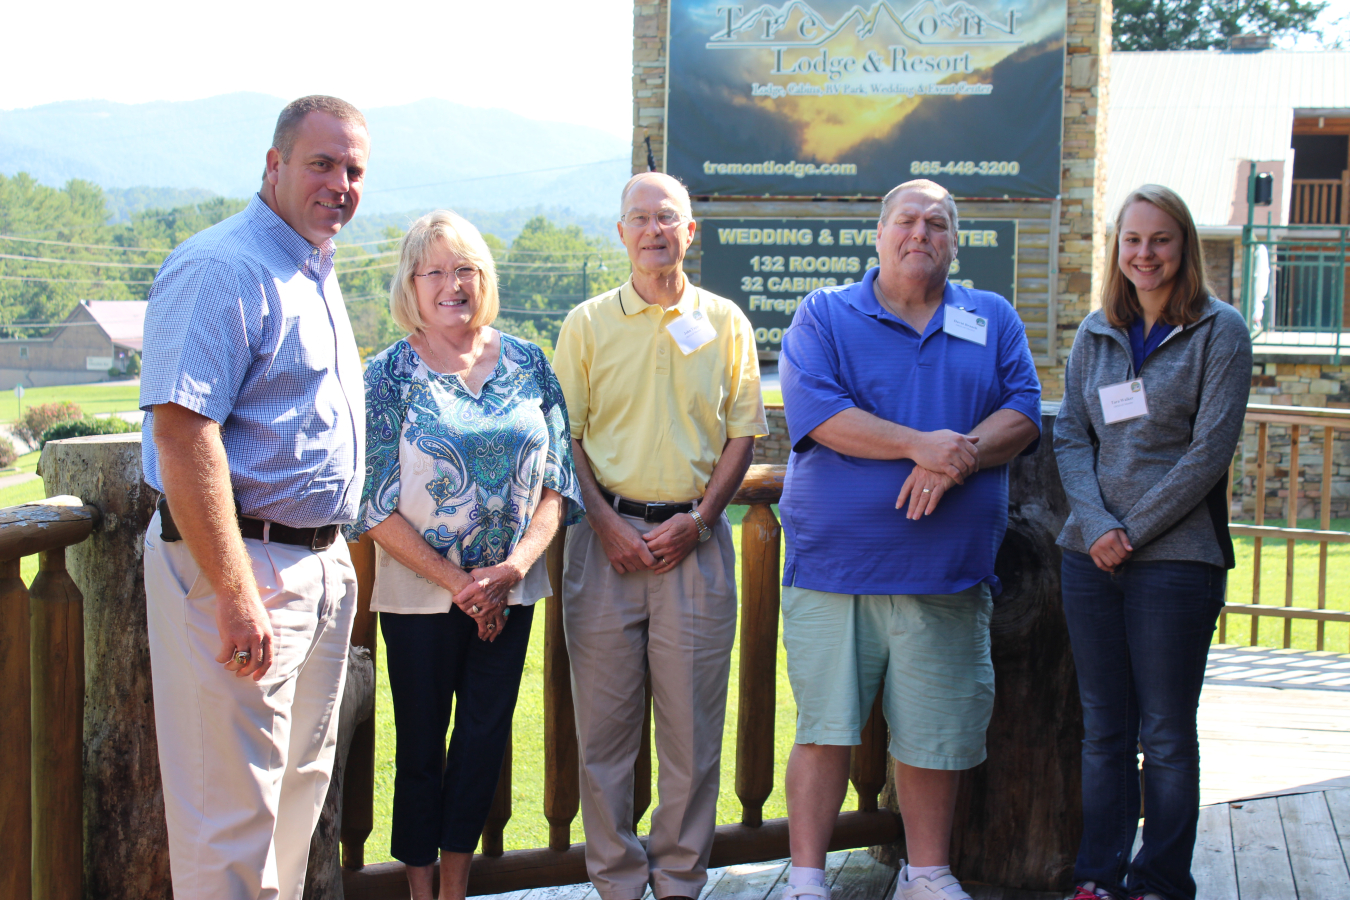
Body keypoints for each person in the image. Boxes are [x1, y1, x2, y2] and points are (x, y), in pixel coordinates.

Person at [777, 179, 1041, 900]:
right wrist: (921, 445)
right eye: (906, 220)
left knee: (936, 736)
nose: (920, 232)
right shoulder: (825, 313)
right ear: (879, 233)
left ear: (956, 242)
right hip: (835, 567)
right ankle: (805, 879)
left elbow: (1023, 408)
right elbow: (822, 414)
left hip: (947, 571)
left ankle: (926, 874)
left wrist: (956, 457)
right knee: (825, 729)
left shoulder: (992, 318)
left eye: (938, 223)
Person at [139, 95, 369, 900]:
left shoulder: (308, 267)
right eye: (322, 163)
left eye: (353, 170)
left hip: (311, 565)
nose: (340, 183)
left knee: (291, 810)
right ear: (273, 167)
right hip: (241, 570)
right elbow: (182, 435)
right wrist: (237, 592)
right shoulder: (222, 267)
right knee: (228, 831)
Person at [344, 209, 583, 900]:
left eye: (468, 269)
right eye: (438, 271)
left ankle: (455, 888)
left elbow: (555, 485)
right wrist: (457, 581)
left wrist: (510, 572)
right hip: (421, 597)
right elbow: (371, 501)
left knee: (482, 742)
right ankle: (421, 892)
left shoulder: (529, 362)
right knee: (420, 749)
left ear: (487, 280)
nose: (455, 284)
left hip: (509, 595)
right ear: (411, 287)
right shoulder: (387, 374)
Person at [552, 172, 767, 900]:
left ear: (689, 231)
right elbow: (565, 438)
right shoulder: (586, 324)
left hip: (695, 545)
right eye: (639, 218)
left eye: (666, 218)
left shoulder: (726, 321)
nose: (653, 230)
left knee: (691, 734)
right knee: (605, 735)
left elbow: (745, 433)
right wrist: (605, 522)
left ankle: (678, 880)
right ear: (621, 233)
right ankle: (615, 881)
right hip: (602, 545)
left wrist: (702, 520)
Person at [1054, 185, 1251, 900]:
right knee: (1103, 730)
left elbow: (1208, 455)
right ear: (1117, 249)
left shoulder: (1220, 332)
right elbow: (1071, 434)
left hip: (1175, 562)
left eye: (1160, 239)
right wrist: (1099, 526)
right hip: (1089, 555)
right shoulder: (1094, 332)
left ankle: (1161, 879)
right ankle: (1097, 877)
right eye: (1132, 240)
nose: (1145, 254)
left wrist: (1132, 531)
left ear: (1184, 246)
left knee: (1165, 735)